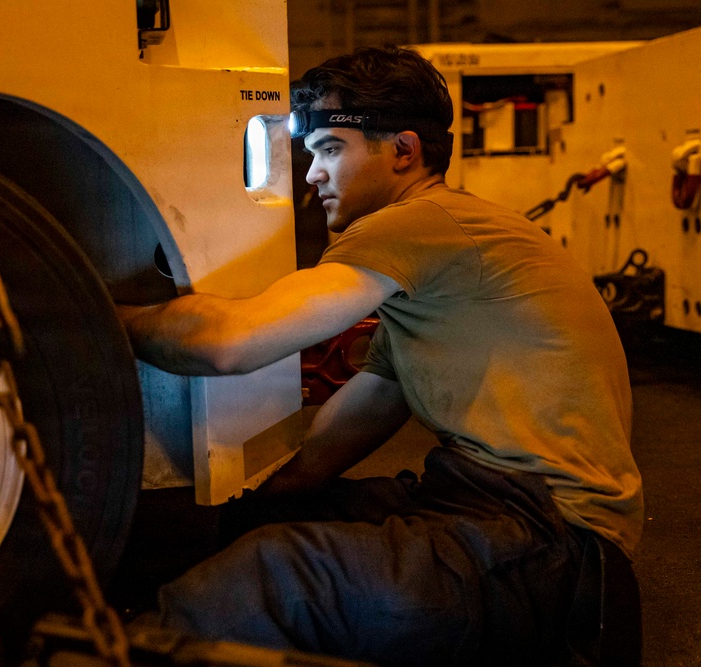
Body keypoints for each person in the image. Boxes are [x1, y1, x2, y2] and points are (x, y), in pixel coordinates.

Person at [116, 45, 642, 666]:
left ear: (403, 150)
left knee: (273, 579)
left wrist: (97, 317)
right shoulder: (442, 264)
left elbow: (228, 342)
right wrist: (241, 511)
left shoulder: (418, 222)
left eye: (329, 150)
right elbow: (344, 433)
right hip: (496, 512)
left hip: (552, 544)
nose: (311, 175)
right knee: (247, 528)